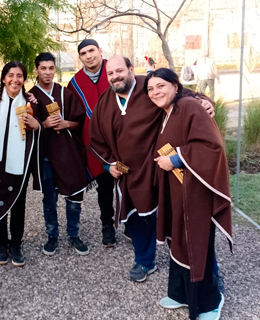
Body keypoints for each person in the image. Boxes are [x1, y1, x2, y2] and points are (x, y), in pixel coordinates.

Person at [90, 56, 215, 283]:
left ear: (130, 69)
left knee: (177, 217)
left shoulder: (150, 86)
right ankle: (145, 261)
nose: (115, 76)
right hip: (129, 172)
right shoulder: (104, 102)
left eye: (120, 70)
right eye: (110, 73)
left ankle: (199, 269)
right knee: (137, 219)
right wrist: (109, 164)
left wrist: (204, 101)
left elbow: (180, 94)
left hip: (161, 166)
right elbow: (96, 139)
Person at [146, 68, 232, 320]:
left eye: (161, 86)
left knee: (195, 244)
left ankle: (210, 302)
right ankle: (181, 293)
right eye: (150, 88)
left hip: (196, 193)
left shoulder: (189, 107)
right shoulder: (168, 111)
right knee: (179, 240)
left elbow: (211, 146)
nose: (155, 92)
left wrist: (174, 158)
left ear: (175, 86)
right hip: (177, 190)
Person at [29, 52, 90, 255]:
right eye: (43, 68)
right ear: (36, 70)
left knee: (74, 195)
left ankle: (74, 234)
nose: (47, 72)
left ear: (55, 69)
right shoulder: (30, 97)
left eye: (51, 68)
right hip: (46, 155)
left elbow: (79, 122)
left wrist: (66, 123)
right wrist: (43, 124)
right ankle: (52, 235)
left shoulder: (65, 93)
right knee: (50, 198)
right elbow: (26, 128)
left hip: (68, 153)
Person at [0, 61, 42, 267]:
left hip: (19, 162)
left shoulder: (30, 102)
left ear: (24, 80)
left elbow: (41, 128)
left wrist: (37, 126)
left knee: (18, 204)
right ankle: (1, 244)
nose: (15, 80)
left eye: (20, 76)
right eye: (11, 75)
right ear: (3, 78)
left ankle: (16, 245)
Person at [67, 39, 117, 248]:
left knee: (130, 183)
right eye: (83, 53)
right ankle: (108, 225)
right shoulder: (75, 83)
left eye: (91, 51)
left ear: (100, 50)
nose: (88, 56)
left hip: (122, 141)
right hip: (97, 147)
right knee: (104, 185)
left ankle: (133, 223)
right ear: (80, 57)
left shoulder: (114, 71)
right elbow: (72, 113)